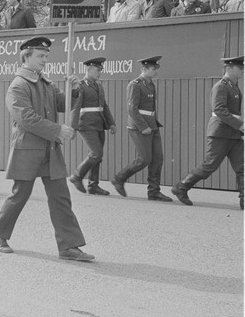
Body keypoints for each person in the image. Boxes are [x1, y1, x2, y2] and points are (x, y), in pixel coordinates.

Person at [0, 36, 94, 262]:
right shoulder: (18, 85)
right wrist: (57, 130)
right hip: (27, 149)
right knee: (20, 195)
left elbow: (60, 103)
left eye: (46, 56)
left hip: (49, 151)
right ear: (26, 56)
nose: (45, 60)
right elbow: (26, 118)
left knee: (61, 197)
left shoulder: (45, 83)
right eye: (40, 56)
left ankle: (69, 247)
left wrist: (73, 91)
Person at [172, 56, 244, 208]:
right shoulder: (221, 86)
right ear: (228, 68)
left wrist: (239, 128)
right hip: (220, 133)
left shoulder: (234, 87)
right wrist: (240, 125)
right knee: (209, 166)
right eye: (239, 67)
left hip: (234, 134)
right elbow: (219, 109)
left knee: (242, 167)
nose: (242, 70)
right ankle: (181, 187)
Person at [111, 56, 173, 201]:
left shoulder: (150, 84)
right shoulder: (135, 84)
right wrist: (143, 126)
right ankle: (119, 178)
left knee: (158, 159)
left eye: (157, 68)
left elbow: (150, 108)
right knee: (145, 158)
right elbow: (132, 108)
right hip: (139, 127)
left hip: (152, 125)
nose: (156, 71)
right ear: (144, 69)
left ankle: (154, 191)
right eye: (153, 68)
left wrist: (152, 125)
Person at [68, 57, 116, 195]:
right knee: (96, 153)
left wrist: (111, 122)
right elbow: (75, 108)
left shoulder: (99, 85)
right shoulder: (82, 86)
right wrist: (73, 128)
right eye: (97, 70)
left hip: (99, 123)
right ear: (88, 69)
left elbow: (104, 106)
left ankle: (93, 185)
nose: (100, 72)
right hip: (86, 124)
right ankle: (77, 176)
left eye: (101, 70)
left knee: (98, 156)